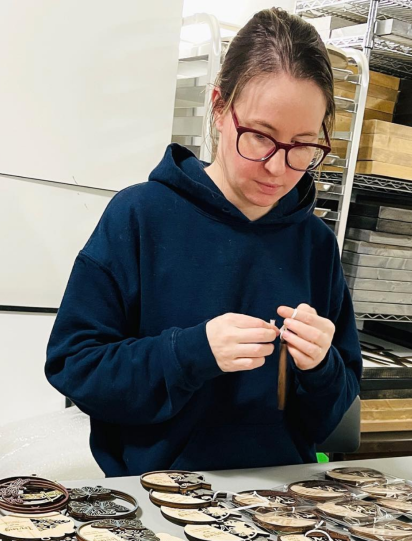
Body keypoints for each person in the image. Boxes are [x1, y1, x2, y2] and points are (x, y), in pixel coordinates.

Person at [45, 8, 362, 477]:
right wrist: (189, 353)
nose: (278, 168)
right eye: (260, 137)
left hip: (281, 500)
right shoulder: (140, 216)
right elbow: (76, 368)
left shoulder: (314, 244)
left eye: (303, 145)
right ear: (218, 107)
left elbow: (335, 418)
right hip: (159, 496)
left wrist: (322, 368)